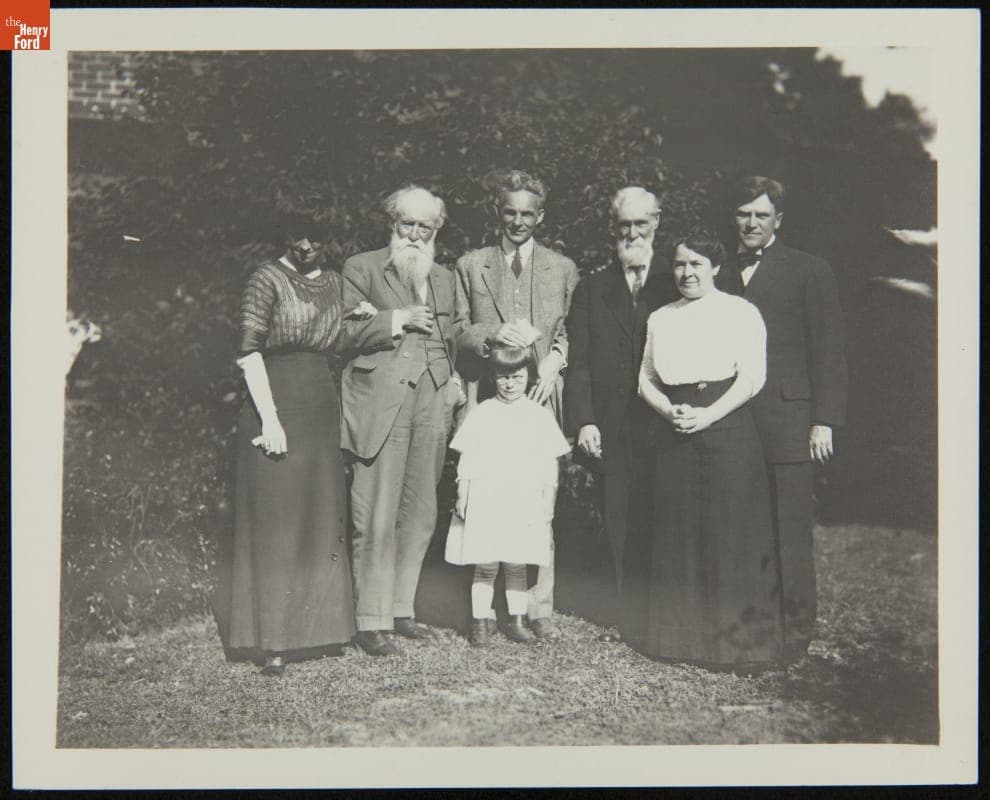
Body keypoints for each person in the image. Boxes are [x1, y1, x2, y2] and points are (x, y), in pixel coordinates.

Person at [215, 217, 390, 676]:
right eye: (297, 235)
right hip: (274, 402)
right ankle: (272, 641)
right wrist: (269, 420)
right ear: (285, 235)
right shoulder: (265, 278)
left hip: (319, 404)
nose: (307, 245)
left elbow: (340, 330)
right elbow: (248, 352)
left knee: (317, 511)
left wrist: (361, 314)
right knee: (278, 520)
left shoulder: (335, 282)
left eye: (316, 236)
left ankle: (322, 633)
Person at [633, 231, 784, 669]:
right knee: (678, 532)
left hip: (728, 426)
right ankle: (678, 642)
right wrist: (668, 411)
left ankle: (737, 647)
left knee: (730, 533)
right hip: (674, 428)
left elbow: (752, 377)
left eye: (697, 264)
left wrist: (708, 415)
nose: (687, 273)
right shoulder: (661, 317)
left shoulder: (741, 312)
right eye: (680, 265)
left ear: (716, 267)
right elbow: (644, 377)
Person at [717, 176, 848, 662]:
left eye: (760, 215)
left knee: (789, 527)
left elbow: (829, 352)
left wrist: (825, 419)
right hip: (733, 421)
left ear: (779, 220)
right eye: (743, 214)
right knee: (744, 524)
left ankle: (795, 633)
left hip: (790, 420)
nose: (750, 223)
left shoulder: (810, 271)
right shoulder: (721, 272)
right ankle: (751, 625)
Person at [454, 169, 579, 639]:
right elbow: (457, 330)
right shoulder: (471, 265)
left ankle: (536, 610)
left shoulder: (562, 268)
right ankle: (483, 613)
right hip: (489, 401)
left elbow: (567, 330)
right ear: (498, 213)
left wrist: (556, 363)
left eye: (528, 213)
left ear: (540, 216)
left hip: (538, 402)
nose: (518, 221)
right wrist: (489, 335)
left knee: (535, 500)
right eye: (511, 211)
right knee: (487, 501)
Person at [340, 185, 465, 657]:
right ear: (392, 223)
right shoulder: (362, 267)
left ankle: (400, 608)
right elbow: (343, 331)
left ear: (436, 231)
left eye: (424, 227)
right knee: (374, 511)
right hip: (380, 400)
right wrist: (395, 321)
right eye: (406, 224)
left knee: (420, 511)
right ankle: (370, 620)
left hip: (432, 401)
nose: (414, 235)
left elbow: (450, 336)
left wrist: (451, 384)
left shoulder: (445, 277)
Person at [563, 187, 680, 643]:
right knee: (618, 513)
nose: (632, 233)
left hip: (665, 422)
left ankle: (663, 605)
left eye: (640, 224)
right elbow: (581, 362)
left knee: (665, 510)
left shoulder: (678, 282)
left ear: (656, 224)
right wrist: (585, 420)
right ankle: (626, 609)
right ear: (613, 230)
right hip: (611, 424)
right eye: (624, 226)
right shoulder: (593, 288)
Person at [445, 345, 571, 647]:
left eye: (516, 377)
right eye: (502, 377)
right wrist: (463, 494)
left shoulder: (538, 416)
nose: (510, 384)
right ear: (493, 377)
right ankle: (480, 622)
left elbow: (549, 464)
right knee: (486, 563)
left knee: (517, 563)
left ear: (528, 376)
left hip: (523, 498)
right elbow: (468, 460)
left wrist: (548, 500)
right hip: (488, 497)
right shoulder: (483, 413)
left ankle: (515, 620)